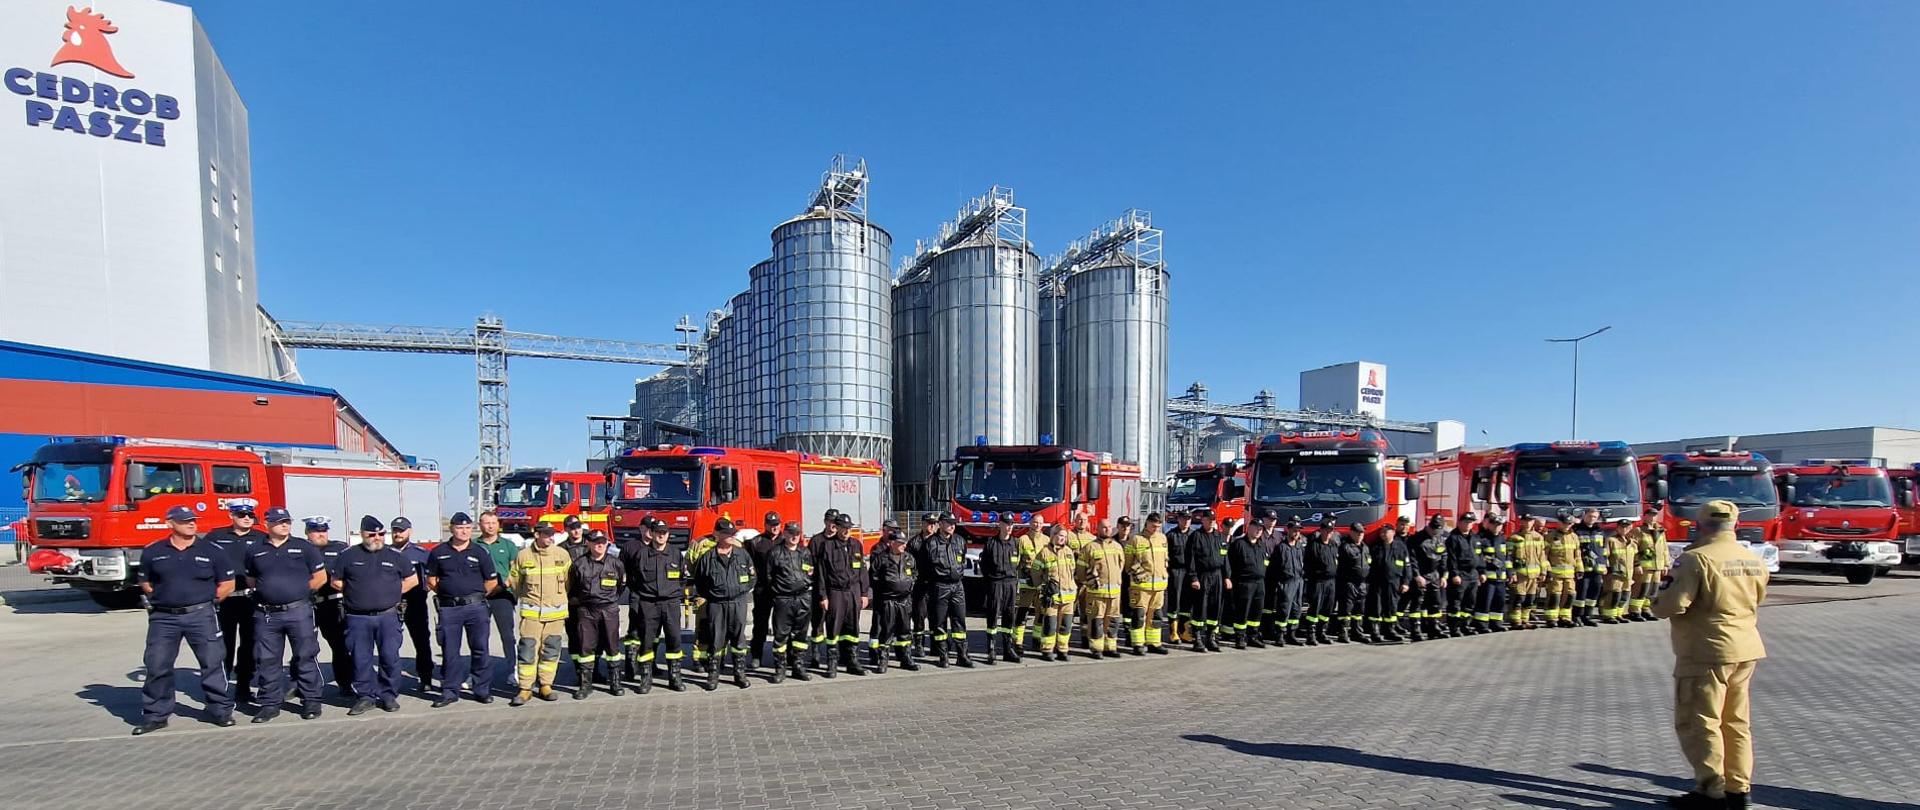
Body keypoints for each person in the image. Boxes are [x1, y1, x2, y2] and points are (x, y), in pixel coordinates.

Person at [1650, 500, 1768, 810]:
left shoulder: (1695, 559)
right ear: (1735, 525)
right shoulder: (1752, 559)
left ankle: (1710, 791)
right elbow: (1760, 596)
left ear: (1700, 525)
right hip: (1745, 648)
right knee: (1736, 722)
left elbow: (1672, 604)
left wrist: (1656, 601)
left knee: (1700, 721)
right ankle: (1739, 791)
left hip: (1706, 651)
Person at [133, 505, 237, 735]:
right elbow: (146, 582)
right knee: (157, 664)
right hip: (164, 618)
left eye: (193, 520)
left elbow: (228, 584)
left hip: (201, 614)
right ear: (170, 523)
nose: (191, 523)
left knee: (212, 662)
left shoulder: (212, 550)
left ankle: (219, 709)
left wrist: (205, 602)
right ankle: (156, 715)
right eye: (184, 520)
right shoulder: (154, 551)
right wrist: (165, 599)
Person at [245, 507, 327, 723]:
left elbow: (320, 577)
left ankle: (311, 701)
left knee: (305, 656)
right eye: (280, 521)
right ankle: (270, 704)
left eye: (287, 521)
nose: (285, 525)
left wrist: (299, 593)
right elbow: (252, 581)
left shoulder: (304, 547)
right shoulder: (255, 550)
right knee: (267, 659)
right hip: (267, 615)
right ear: (266, 525)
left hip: (298, 611)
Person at [334, 516, 415, 716]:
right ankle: (365, 696)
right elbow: (336, 581)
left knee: (389, 657)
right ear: (362, 534)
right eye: (372, 534)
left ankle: (388, 695)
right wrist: (356, 592)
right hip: (357, 617)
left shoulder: (395, 555)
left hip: (387, 616)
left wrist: (392, 593)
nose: (377, 537)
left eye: (381, 534)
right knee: (361, 658)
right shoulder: (348, 555)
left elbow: (412, 580)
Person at [204, 500, 262, 705]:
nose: (246, 518)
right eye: (241, 515)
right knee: (222, 647)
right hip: (225, 601)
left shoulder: (262, 538)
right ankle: (221, 690)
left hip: (250, 600)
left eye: (250, 515)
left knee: (249, 646)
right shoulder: (215, 537)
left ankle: (244, 687)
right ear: (231, 516)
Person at [621, 517, 688, 693]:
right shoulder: (642, 554)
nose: (661, 536)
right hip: (648, 603)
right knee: (647, 642)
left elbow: (683, 578)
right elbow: (634, 580)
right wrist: (646, 595)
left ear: (668, 535)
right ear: (652, 534)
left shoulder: (675, 553)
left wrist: (674, 594)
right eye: (658, 532)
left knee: (674, 640)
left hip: (671, 604)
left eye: (664, 533)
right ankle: (646, 679)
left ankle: (675, 678)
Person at [507, 523, 571, 706]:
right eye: (547, 534)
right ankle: (525, 688)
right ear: (537, 535)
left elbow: (569, 582)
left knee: (551, 651)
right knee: (527, 650)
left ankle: (546, 685)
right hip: (531, 614)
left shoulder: (562, 555)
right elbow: (515, 582)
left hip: (555, 614)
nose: (551, 538)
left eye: (552, 534)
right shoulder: (523, 556)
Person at [691, 520, 755, 691]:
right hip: (717, 604)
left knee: (739, 640)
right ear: (717, 534)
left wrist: (741, 590)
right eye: (727, 533)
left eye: (732, 533)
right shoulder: (708, 557)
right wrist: (713, 595)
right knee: (716, 640)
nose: (731, 536)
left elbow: (752, 577)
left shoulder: (742, 555)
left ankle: (739, 674)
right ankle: (713, 675)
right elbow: (700, 582)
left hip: (738, 603)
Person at [567, 530, 624, 698]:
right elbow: (573, 588)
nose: (600, 544)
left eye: (603, 541)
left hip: (609, 609)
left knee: (612, 647)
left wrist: (610, 600)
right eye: (596, 542)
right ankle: (586, 685)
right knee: (586, 647)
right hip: (587, 610)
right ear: (588, 544)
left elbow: (620, 586)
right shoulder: (579, 564)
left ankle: (615, 683)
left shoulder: (616, 564)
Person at [813, 512, 871, 677]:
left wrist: (864, 593)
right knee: (834, 628)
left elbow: (862, 571)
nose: (846, 531)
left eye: (848, 528)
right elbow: (821, 574)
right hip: (835, 591)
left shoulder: (856, 545)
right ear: (836, 527)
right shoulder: (828, 546)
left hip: (853, 591)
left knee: (853, 627)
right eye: (843, 528)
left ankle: (852, 661)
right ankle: (832, 663)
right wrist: (823, 596)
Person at [305, 517, 356, 697]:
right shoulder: (300, 550)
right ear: (307, 533)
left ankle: (345, 683)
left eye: (323, 530)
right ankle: (301, 684)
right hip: (307, 604)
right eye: (316, 531)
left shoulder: (340, 548)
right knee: (304, 648)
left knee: (339, 646)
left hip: (333, 604)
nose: (321, 534)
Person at [764, 521, 816, 682]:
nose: (794, 537)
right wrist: (779, 592)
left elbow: (811, 572)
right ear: (785, 534)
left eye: (797, 534)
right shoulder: (775, 553)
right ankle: (780, 669)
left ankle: (798, 666)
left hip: (803, 599)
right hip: (783, 599)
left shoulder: (805, 552)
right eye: (791, 533)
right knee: (781, 635)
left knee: (801, 634)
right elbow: (768, 576)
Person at [388, 516, 435, 695]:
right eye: (395, 530)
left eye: (402, 530)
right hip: (391, 603)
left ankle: (426, 677)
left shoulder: (421, 553)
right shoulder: (385, 552)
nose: (398, 533)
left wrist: (427, 588)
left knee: (421, 641)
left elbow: (432, 575)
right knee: (390, 644)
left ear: (410, 531)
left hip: (415, 602)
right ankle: (391, 681)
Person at [866, 523, 920, 672]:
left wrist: (908, 586)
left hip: (904, 601)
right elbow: (874, 578)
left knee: (904, 631)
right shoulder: (881, 558)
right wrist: (886, 590)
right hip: (888, 601)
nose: (904, 546)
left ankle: (905, 658)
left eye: (904, 543)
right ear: (892, 543)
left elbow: (914, 574)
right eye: (901, 543)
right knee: (886, 631)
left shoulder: (909, 558)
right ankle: (883, 660)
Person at [476, 511, 520, 688]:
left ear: (498, 525)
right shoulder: (473, 545)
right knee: (479, 637)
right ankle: (478, 672)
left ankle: (512, 670)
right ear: (480, 525)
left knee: (508, 636)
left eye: (493, 522)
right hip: (478, 597)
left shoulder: (508, 546)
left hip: (502, 596)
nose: (490, 526)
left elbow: (515, 571)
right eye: (486, 523)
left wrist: (504, 587)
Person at [922, 513, 971, 667]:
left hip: (957, 586)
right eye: (949, 523)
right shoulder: (931, 543)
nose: (952, 526)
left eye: (954, 523)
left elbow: (962, 561)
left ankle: (962, 655)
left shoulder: (959, 541)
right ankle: (943, 656)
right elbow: (925, 567)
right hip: (939, 586)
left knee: (959, 622)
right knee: (939, 622)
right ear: (941, 524)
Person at [1078, 517, 1127, 657]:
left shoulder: (1117, 547)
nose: (1107, 529)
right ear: (1098, 529)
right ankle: (1096, 648)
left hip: (1115, 593)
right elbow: (1081, 571)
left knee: (1113, 621)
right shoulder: (1089, 547)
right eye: (1104, 527)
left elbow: (1121, 566)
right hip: (1096, 594)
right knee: (1096, 621)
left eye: (1109, 527)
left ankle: (1110, 647)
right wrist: (1090, 583)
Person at [1124, 512, 1172, 655]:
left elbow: (1165, 560)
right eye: (1153, 526)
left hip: (1159, 587)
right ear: (1147, 523)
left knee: (1156, 617)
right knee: (1139, 616)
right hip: (1141, 587)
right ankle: (1138, 644)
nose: (1156, 529)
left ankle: (1154, 643)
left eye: (1158, 526)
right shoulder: (1135, 539)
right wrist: (1140, 574)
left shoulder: (1163, 538)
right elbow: (1128, 564)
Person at [977, 514, 1023, 664]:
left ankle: (1008, 649)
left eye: (1012, 524)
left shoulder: (1015, 543)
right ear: (1000, 525)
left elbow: (1019, 564)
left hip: (1010, 583)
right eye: (1007, 524)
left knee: (1009, 616)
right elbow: (984, 565)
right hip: (995, 583)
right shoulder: (991, 543)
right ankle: (991, 650)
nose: (1009, 527)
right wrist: (990, 581)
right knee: (993, 616)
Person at [1029, 524, 1079, 661]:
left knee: (1066, 626)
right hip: (1051, 598)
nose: (1063, 539)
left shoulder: (1069, 552)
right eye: (1060, 536)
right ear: (1053, 536)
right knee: (1050, 625)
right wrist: (1043, 588)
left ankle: (1062, 650)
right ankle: (1047, 650)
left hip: (1068, 597)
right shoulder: (1044, 553)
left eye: (1065, 536)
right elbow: (1035, 573)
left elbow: (1072, 571)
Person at [1184, 510, 1229, 652]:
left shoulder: (1219, 536)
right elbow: (1190, 559)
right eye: (1208, 520)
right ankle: (1197, 639)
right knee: (1200, 608)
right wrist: (1193, 578)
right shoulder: (1196, 536)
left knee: (1215, 608)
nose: (1211, 522)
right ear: (1202, 520)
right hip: (1202, 576)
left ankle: (1211, 638)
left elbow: (1224, 557)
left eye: (1213, 520)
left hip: (1217, 576)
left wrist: (1227, 576)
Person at [1224, 517, 1271, 649]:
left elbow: (1266, 563)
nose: (1258, 531)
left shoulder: (1262, 545)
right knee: (1242, 611)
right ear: (1249, 527)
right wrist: (1229, 578)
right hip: (1244, 583)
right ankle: (1240, 637)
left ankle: (1253, 636)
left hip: (1260, 583)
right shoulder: (1239, 544)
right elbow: (1229, 564)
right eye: (1256, 527)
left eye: (1261, 529)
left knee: (1256, 611)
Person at [747, 510, 783, 671]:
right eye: (771, 524)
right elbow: (749, 565)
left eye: (776, 524)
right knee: (760, 625)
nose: (774, 527)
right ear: (765, 525)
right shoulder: (756, 542)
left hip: (782, 590)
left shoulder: (786, 541)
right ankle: (756, 656)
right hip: (763, 590)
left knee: (781, 626)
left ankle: (780, 659)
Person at [1366, 522, 1411, 643]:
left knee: (1391, 607)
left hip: (1393, 582)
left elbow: (1407, 566)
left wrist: (1406, 582)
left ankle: (1389, 630)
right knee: (1376, 607)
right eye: (1381, 532)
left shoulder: (1401, 547)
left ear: (1393, 532)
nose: (1383, 534)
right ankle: (1375, 631)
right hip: (1377, 582)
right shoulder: (1375, 547)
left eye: (1386, 532)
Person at [1405, 515, 1447, 641]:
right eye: (1434, 529)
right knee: (1417, 603)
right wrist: (1417, 575)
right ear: (1429, 526)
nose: (1435, 532)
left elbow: (1444, 556)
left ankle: (1433, 628)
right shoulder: (1416, 539)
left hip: (1434, 575)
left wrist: (1444, 575)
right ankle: (1415, 630)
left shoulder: (1439, 539)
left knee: (1435, 603)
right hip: (1420, 575)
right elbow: (1412, 559)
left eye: (1438, 530)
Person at [1441, 512, 1482, 637]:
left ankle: (1465, 625)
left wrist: (1482, 572)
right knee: (1456, 603)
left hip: (1473, 575)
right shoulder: (1453, 538)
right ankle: (1454, 628)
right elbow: (1451, 558)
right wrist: (1454, 574)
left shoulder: (1475, 538)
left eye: (1471, 522)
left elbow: (1480, 556)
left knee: (1469, 602)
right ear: (1459, 522)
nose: (1468, 525)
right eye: (1466, 522)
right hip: (1460, 574)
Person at [1267, 519, 1307, 645]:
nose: (1296, 532)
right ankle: (1280, 634)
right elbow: (1274, 568)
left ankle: (1292, 634)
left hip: (1298, 581)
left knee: (1296, 609)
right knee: (1284, 610)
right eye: (1294, 530)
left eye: (1298, 530)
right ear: (1288, 530)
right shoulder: (1281, 548)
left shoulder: (1300, 547)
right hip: (1286, 582)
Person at [1014, 513, 1047, 652]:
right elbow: (1016, 562)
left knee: (1041, 613)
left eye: (1040, 523)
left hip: (1041, 584)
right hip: (1026, 584)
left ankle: (1036, 639)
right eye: (1035, 522)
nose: (1037, 525)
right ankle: (1017, 642)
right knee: (1022, 613)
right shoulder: (1023, 539)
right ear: (1030, 523)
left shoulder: (1047, 540)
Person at [1506, 517, 1547, 629]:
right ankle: (1516, 621)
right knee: (1518, 598)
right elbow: (1509, 557)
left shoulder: (1539, 538)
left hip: (1534, 576)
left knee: (1530, 599)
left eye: (1530, 521)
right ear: (1522, 522)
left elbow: (1542, 557)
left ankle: (1525, 620)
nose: (1528, 523)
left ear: (1533, 522)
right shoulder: (1514, 538)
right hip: (1520, 576)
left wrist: (1543, 572)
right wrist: (1512, 573)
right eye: (1525, 521)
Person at [908, 512, 940, 656]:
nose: (931, 526)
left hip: (935, 585)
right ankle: (919, 644)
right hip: (920, 584)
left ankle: (935, 645)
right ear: (922, 524)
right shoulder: (914, 542)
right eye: (928, 523)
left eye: (934, 523)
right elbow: (908, 563)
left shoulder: (940, 541)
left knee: (936, 616)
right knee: (919, 616)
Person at [1473, 514, 1511, 633]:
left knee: (1499, 602)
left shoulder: (1502, 539)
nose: (1497, 527)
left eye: (1499, 525)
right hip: (1488, 578)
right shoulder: (1481, 538)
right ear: (1488, 524)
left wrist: (1510, 573)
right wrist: (1487, 564)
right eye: (1494, 524)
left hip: (1501, 578)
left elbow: (1507, 558)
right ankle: (1481, 624)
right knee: (1485, 602)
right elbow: (1477, 557)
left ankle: (1496, 623)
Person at [1334, 522, 1370, 644]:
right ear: (1352, 532)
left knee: (1359, 610)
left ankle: (1357, 632)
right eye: (1358, 532)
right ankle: (1343, 632)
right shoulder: (1346, 547)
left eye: (1362, 533)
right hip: (1349, 583)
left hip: (1362, 584)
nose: (1360, 535)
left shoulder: (1365, 547)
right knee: (1346, 610)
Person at [1544, 512, 1582, 628]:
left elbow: (1577, 555)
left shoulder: (1574, 537)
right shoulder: (1550, 537)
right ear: (1559, 523)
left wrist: (1580, 569)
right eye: (1565, 523)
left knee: (1570, 595)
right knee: (1554, 596)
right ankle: (1552, 619)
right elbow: (1544, 556)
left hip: (1570, 575)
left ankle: (1565, 618)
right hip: (1555, 575)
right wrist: (1547, 571)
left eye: (1569, 524)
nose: (1567, 526)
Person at [1632, 508, 1671, 621]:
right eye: (1650, 515)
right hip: (1645, 567)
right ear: (1645, 516)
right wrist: (1636, 564)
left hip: (1658, 566)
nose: (1653, 517)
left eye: (1655, 515)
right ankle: (1635, 610)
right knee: (1642, 589)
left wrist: (1666, 564)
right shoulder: (1638, 531)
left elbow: (1664, 549)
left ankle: (1646, 609)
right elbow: (1633, 549)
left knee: (1653, 590)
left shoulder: (1660, 531)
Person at [1571, 508, 1608, 627]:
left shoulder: (1600, 531)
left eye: (1594, 517)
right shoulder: (1577, 530)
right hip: (1583, 567)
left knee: (1594, 591)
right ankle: (1577, 616)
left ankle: (1587, 616)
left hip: (1597, 568)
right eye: (1590, 516)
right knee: (1581, 592)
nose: (1592, 519)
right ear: (1584, 516)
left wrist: (1605, 564)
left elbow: (1603, 550)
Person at [1164, 510, 1194, 645]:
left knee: (1187, 603)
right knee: (1174, 602)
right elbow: (1166, 556)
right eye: (1183, 518)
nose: (1186, 521)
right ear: (1178, 519)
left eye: (1188, 518)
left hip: (1189, 572)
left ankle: (1184, 631)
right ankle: (1173, 632)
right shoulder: (1171, 535)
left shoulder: (1194, 535)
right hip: (1175, 571)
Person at [1603, 518, 1638, 623]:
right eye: (1622, 527)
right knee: (1614, 595)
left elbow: (1636, 557)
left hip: (1628, 574)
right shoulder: (1611, 540)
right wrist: (1607, 569)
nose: (1624, 529)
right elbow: (1605, 556)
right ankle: (1609, 615)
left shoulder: (1632, 542)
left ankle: (1619, 614)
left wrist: (1637, 567)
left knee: (1624, 595)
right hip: (1615, 574)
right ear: (1617, 528)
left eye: (1627, 527)